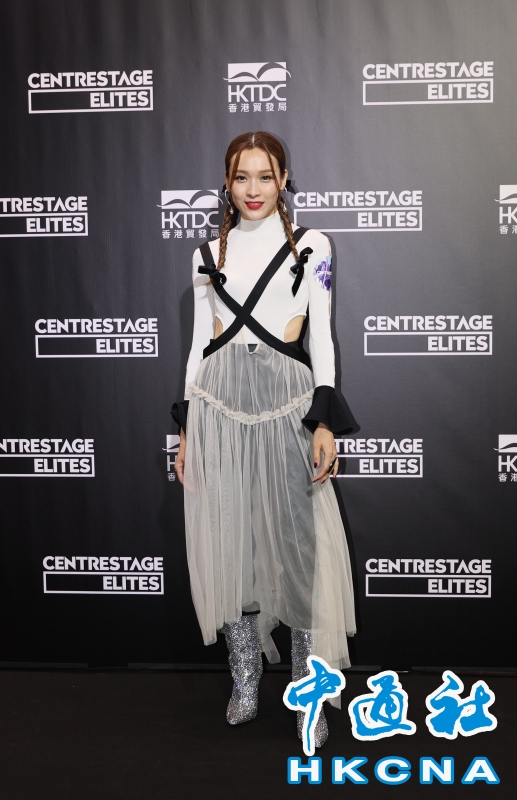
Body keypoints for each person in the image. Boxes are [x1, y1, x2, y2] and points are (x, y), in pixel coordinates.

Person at [171, 131, 356, 746]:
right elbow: (198, 346)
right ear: (226, 184)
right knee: (234, 546)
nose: (253, 189)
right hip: (219, 411)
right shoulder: (205, 254)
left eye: (265, 176)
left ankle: (307, 692)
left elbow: (321, 336)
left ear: (284, 180)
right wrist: (188, 430)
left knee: (298, 551)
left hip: (288, 409)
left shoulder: (312, 245)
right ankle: (245, 677)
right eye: (241, 177)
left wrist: (324, 421)